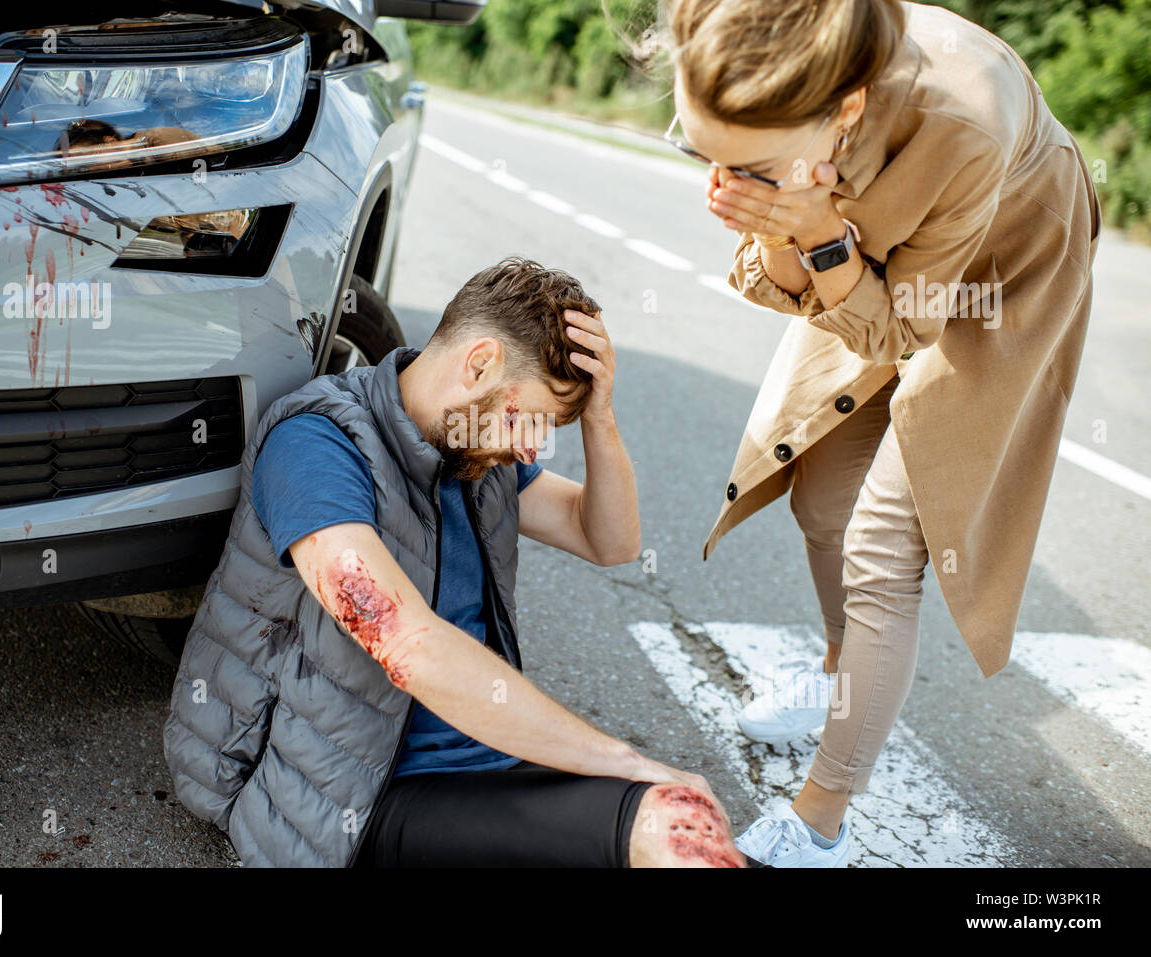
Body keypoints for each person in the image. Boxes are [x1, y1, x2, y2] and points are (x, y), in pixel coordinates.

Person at [654, 0, 1100, 865]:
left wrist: (818, 234)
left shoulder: (959, 125)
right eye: (703, 150)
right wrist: (780, 225)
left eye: (745, 165)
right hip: (864, 241)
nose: (723, 177)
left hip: (1005, 259)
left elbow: (900, 329)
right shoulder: (767, 64)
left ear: (844, 111)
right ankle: (836, 675)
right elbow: (778, 282)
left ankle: (822, 819)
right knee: (820, 494)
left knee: (883, 542)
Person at [164, 256, 747, 867]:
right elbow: (404, 642)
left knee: (686, 833)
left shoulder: (476, 450)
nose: (530, 446)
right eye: (528, 419)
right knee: (671, 826)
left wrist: (599, 418)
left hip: (484, 763)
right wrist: (629, 764)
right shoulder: (317, 445)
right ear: (478, 365)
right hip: (350, 796)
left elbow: (609, 540)